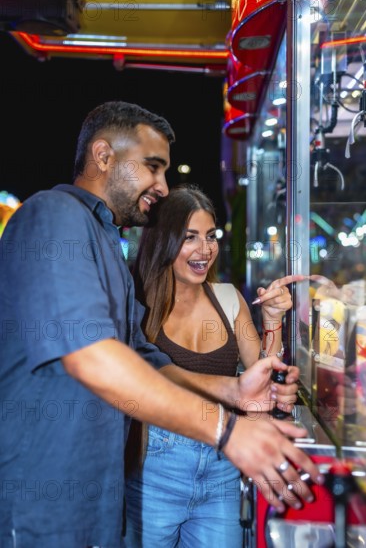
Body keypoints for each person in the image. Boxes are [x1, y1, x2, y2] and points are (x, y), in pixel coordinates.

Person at [0, 101, 322, 548]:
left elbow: (144, 359)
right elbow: (90, 355)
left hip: (96, 501)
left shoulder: (105, 243)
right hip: (41, 503)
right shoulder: (54, 215)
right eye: (153, 167)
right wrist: (225, 430)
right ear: (104, 155)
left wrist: (235, 391)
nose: (162, 185)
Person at [124, 184, 307, 547]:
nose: (204, 250)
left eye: (210, 236)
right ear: (163, 241)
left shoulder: (227, 298)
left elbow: (263, 381)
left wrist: (272, 319)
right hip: (152, 470)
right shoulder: (134, 301)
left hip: (223, 467)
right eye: (189, 237)